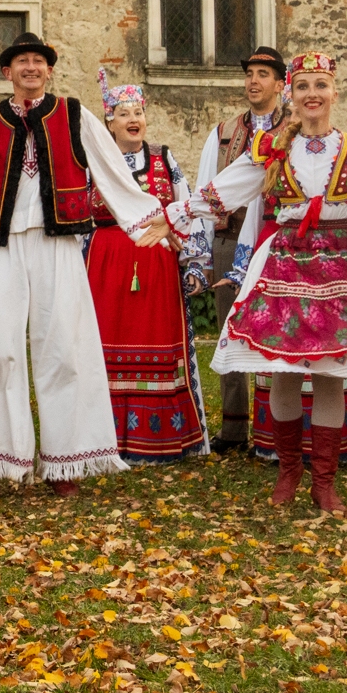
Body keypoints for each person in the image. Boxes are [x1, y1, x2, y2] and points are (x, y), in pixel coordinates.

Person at [0, 31, 160, 496]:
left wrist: (151, 222)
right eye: (22, 62)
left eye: (38, 61)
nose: (31, 68)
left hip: (58, 245)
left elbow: (112, 171)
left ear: (49, 70)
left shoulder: (73, 115)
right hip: (1, 247)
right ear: (7, 73)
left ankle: (65, 463)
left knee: (64, 349)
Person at [203, 54, 347, 513]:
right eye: (302, 86)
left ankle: (324, 481)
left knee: (329, 375)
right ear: (291, 95)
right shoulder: (272, 147)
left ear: (335, 92)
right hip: (285, 260)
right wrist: (172, 218)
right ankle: (288, 472)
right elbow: (225, 189)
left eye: (321, 84)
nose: (312, 94)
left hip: (342, 260)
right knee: (282, 371)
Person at [86, 81, 211, 463]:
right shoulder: (95, 160)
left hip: (156, 266)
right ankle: (104, 438)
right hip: (106, 265)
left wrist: (194, 261)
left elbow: (188, 206)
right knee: (103, 346)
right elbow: (77, 214)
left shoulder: (163, 157)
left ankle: (160, 439)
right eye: (124, 114)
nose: (133, 119)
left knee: (157, 343)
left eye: (138, 112)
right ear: (110, 122)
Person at [196, 47, 289, 452]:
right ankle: (233, 428)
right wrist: (201, 249)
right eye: (250, 73)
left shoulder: (297, 128)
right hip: (228, 238)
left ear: (280, 83)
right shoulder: (223, 133)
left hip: (277, 240)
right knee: (227, 332)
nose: (254, 80)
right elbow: (205, 188)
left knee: (277, 331)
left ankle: (274, 429)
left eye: (263, 73)